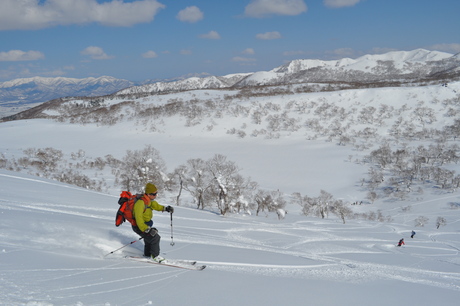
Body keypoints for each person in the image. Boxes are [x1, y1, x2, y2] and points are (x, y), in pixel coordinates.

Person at [131, 182, 174, 262]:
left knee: (148, 239)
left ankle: (147, 254)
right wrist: (146, 229)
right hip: (139, 225)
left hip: (146, 224)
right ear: (148, 194)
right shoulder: (140, 203)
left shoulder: (150, 201)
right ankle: (155, 256)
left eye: (156, 193)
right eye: (154, 194)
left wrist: (165, 209)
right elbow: (138, 218)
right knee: (155, 237)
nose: (156, 195)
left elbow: (156, 206)